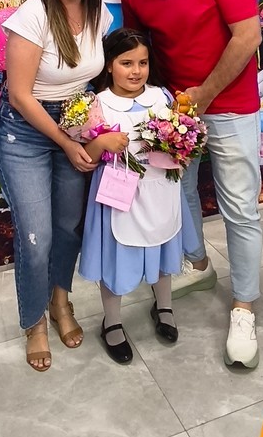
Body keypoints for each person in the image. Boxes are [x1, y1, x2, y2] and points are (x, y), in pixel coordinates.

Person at [120, 0, 262, 369]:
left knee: (239, 208)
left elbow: (247, 36)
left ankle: (244, 307)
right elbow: (140, 52)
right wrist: (147, 106)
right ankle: (198, 264)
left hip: (230, 105)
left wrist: (204, 94)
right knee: (178, 195)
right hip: (173, 113)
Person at [0, 0, 112, 373]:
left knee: (68, 228)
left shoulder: (99, 14)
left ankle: (61, 302)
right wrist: (63, 140)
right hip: (25, 132)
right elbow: (21, 95)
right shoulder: (34, 15)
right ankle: (34, 321)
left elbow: (90, 79)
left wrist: (91, 129)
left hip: (74, 125)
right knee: (36, 237)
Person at [79, 28, 197, 365]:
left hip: (161, 191)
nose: (136, 71)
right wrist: (101, 143)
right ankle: (112, 322)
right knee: (115, 257)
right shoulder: (97, 104)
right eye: (126, 63)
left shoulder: (162, 97)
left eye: (142, 63)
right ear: (109, 65)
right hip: (119, 197)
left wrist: (182, 145)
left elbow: (182, 140)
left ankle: (164, 306)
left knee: (163, 247)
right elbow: (85, 157)